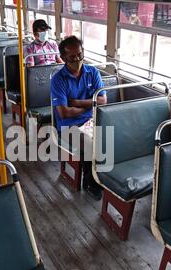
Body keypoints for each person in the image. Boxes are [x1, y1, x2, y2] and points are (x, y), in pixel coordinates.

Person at [50, 36, 107, 200]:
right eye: (72, 57)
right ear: (63, 58)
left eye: (80, 54)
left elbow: (102, 100)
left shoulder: (92, 72)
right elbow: (64, 113)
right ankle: (90, 182)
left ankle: (106, 177)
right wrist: (90, 106)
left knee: (113, 137)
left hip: (91, 120)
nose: (77, 59)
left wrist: (76, 102)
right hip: (69, 126)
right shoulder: (58, 80)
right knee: (92, 144)